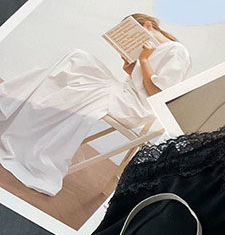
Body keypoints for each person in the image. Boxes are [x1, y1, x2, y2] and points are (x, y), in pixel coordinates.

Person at [0, 14, 190, 196]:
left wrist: (144, 60)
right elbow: (142, 83)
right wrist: (131, 69)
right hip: (125, 94)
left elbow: (158, 94)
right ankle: (19, 109)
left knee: (78, 74)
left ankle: (17, 111)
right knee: (78, 57)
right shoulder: (157, 50)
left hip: (134, 107)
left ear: (148, 25)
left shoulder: (177, 51)